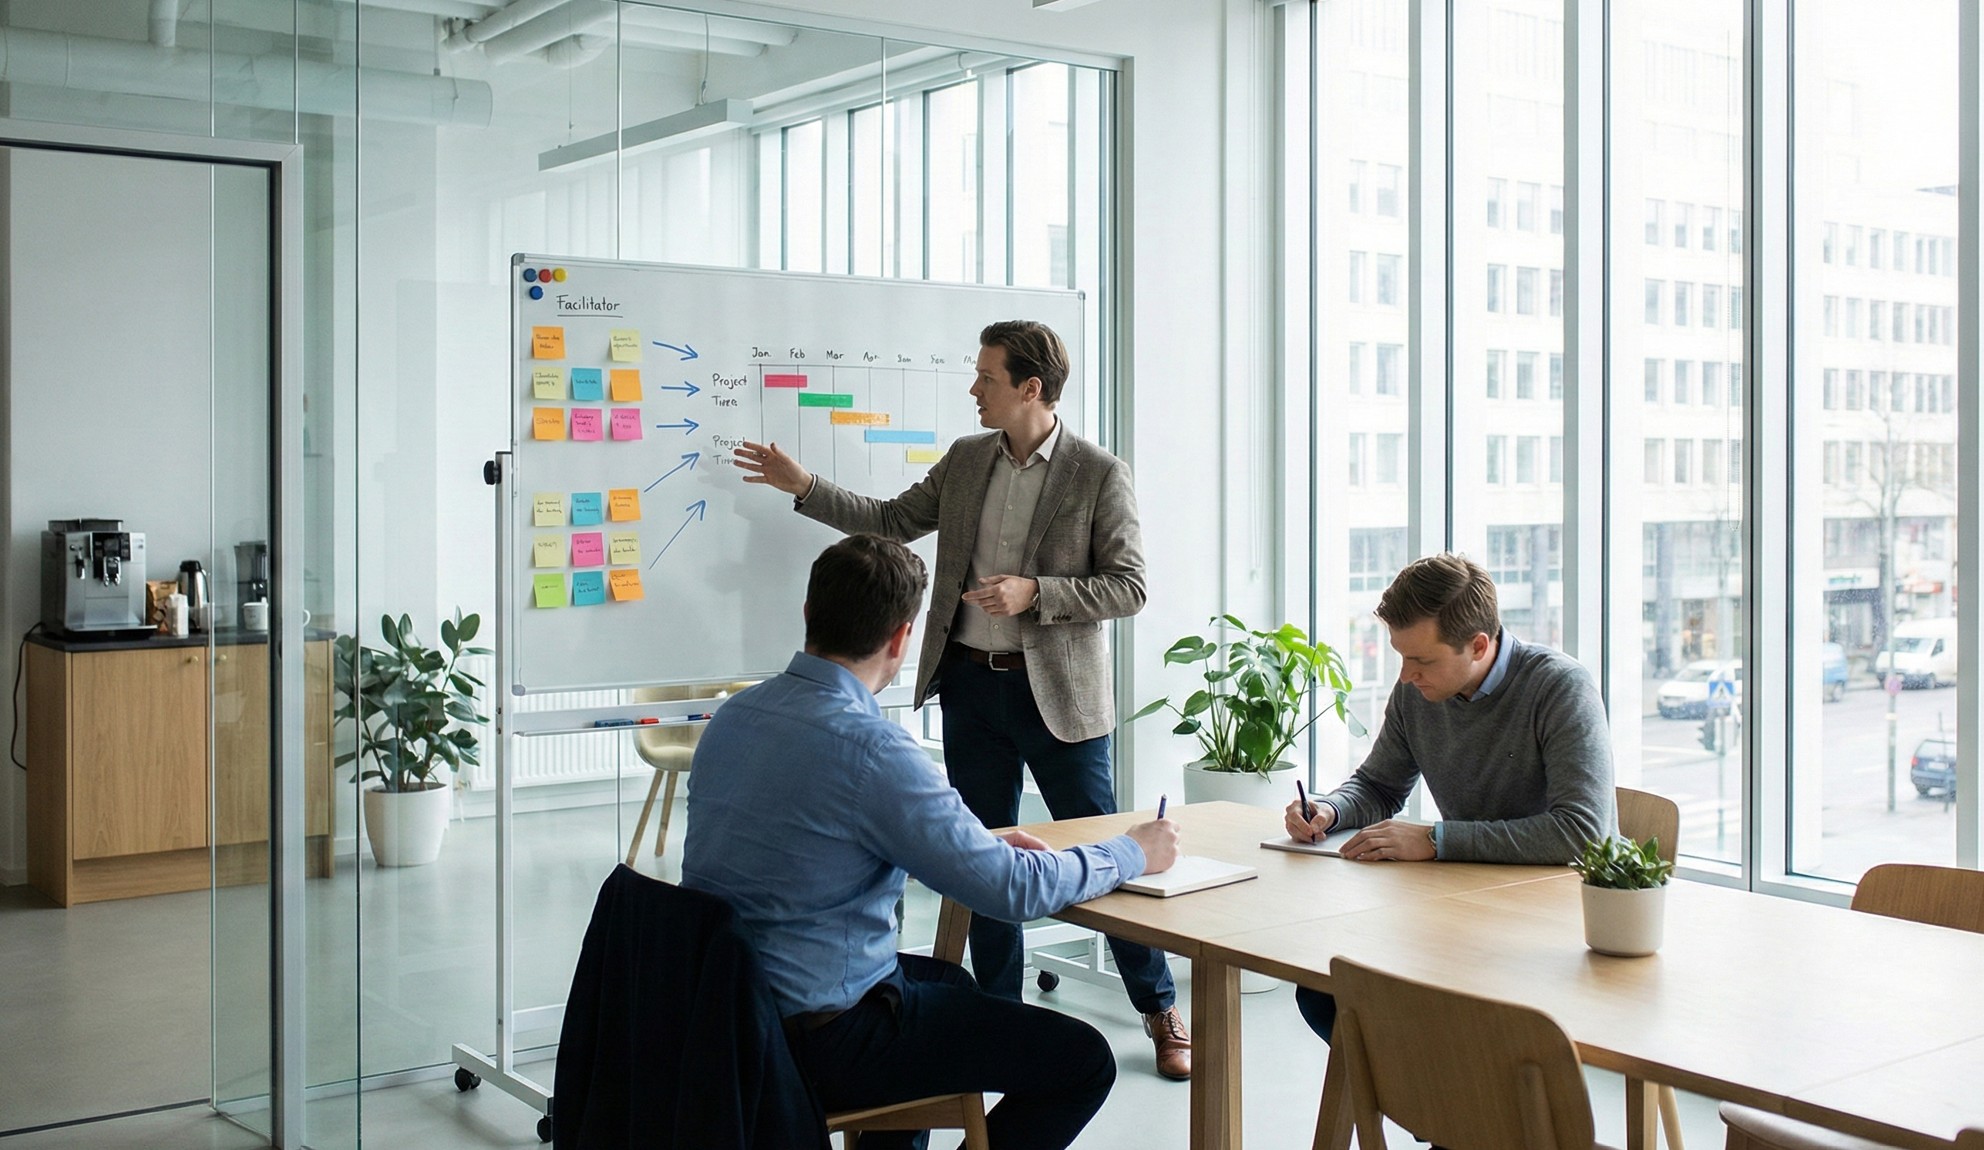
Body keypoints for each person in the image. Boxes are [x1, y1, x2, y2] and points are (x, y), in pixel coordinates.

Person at [733, 319, 1193, 1080]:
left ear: (1030, 389)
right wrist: (805, 486)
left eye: (986, 379)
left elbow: (1130, 586)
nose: (973, 390)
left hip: (1060, 701)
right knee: (984, 855)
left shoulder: (1098, 473)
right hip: (971, 683)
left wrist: (1034, 593)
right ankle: (1000, 1018)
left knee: (1119, 857)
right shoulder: (968, 459)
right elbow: (890, 521)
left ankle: (1159, 1007)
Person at [682, 535, 1180, 1150]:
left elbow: (815, 847)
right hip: (819, 1034)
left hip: (722, 1008)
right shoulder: (874, 749)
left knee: (950, 985)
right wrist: (1134, 850)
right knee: (1082, 1062)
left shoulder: (736, 716)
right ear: (901, 638)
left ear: (809, 615)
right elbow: (1013, 891)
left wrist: (966, 844)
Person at [1281, 552, 1615, 1040]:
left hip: (1554, 928)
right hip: (1465, 911)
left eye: (1420, 659)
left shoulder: (1559, 687)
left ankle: (1447, 1102)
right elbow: (1378, 784)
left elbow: (1583, 834)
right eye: (1401, 657)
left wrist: (1437, 840)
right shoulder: (1419, 691)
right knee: (1323, 988)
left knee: (1399, 1002)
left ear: (1478, 646)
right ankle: (1437, 1103)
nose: (1405, 675)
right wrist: (1329, 809)